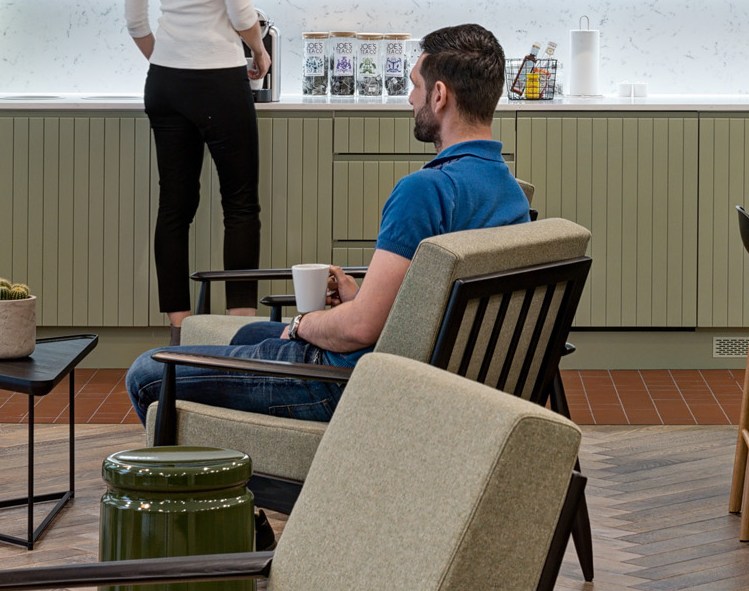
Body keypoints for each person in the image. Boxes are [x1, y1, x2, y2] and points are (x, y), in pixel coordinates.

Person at [124, 23, 527, 423]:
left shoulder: (425, 191)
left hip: (342, 381)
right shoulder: (508, 193)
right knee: (249, 335)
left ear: (439, 96)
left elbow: (360, 329)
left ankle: (212, 476)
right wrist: (358, 297)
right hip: (430, 372)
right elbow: (428, 307)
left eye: (415, 86)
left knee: (147, 372)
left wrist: (304, 324)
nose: (409, 98)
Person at [128, 0, 272, 327]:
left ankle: (181, 328)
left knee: (175, 206)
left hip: (164, 82)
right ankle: (236, 330)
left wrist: (167, 58)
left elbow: (134, 21)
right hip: (217, 79)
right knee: (239, 205)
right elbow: (241, 12)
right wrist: (259, 51)